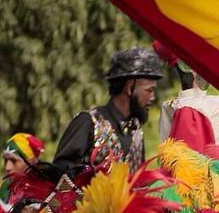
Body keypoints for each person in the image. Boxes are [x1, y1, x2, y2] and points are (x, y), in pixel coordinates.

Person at [53, 47, 165, 177]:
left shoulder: (136, 131)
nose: (152, 98)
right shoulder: (88, 122)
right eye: (149, 90)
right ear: (129, 88)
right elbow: (60, 170)